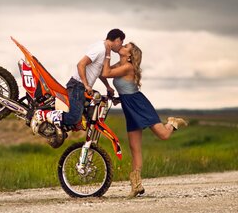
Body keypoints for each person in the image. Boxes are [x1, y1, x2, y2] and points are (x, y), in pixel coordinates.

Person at [101, 42, 188, 198]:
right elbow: (103, 73)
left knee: (164, 135)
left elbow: (106, 73)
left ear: (129, 55)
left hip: (140, 105)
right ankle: (136, 185)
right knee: (135, 149)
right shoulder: (119, 64)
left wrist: (107, 52)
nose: (122, 45)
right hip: (129, 108)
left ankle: (172, 122)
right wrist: (114, 93)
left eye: (126, 46)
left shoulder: (128, 67)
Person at [31, 29, 125, 133]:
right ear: (117, 40)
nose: (121, 45)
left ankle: (58, 130)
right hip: (77, 85)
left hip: (81, 86)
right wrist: (86, 85)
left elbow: (98, 71)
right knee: (74, 117)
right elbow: (81, 64)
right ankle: (42, 115)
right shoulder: (101, 49)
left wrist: (107, 86)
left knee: (85, 117)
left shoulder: (105, 49)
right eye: (121, 42)